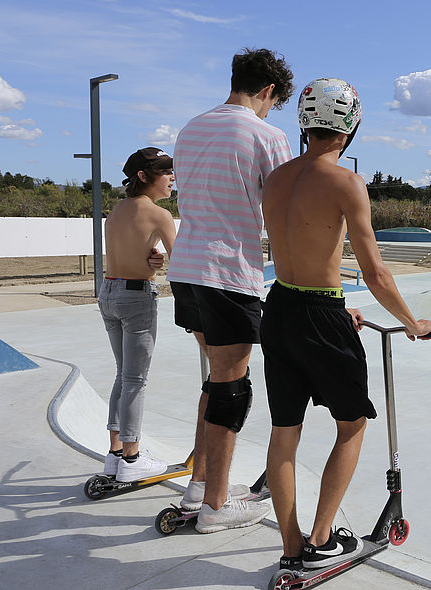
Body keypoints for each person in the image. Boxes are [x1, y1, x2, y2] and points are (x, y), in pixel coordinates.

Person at [260, 77, 431, 571]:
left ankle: (291, 547)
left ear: (304, 122)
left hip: (280, 308)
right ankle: (321, 539)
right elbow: (376, 272)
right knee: (352, 424)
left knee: (284, 431)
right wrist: (411, 323)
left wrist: (337, 305)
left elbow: (297, 250)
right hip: (320, 315)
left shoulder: (275, 178)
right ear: (351, 126)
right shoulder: (345, 182)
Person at [166, 47, 295, 533]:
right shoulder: (266, 134)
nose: (269, 111)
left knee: (217, 377)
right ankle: (217, 508)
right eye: (272, 102)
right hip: (228, 271)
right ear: (267, 91)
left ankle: (200, 485)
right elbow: (282, 208)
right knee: (232, 387)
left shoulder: (190, 128)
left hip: (187, 268)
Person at [98, 148, 177, 482]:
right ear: (144, 177)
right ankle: (131, 459)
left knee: (122, 374)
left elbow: (132, 251)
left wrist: (154, 261)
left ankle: (115, 454)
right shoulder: (158, 215)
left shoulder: (117, 209)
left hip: (109, 291)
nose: (173, 177)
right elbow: (182, 258)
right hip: (136, 298)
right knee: (135, 380)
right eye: (166, 172)